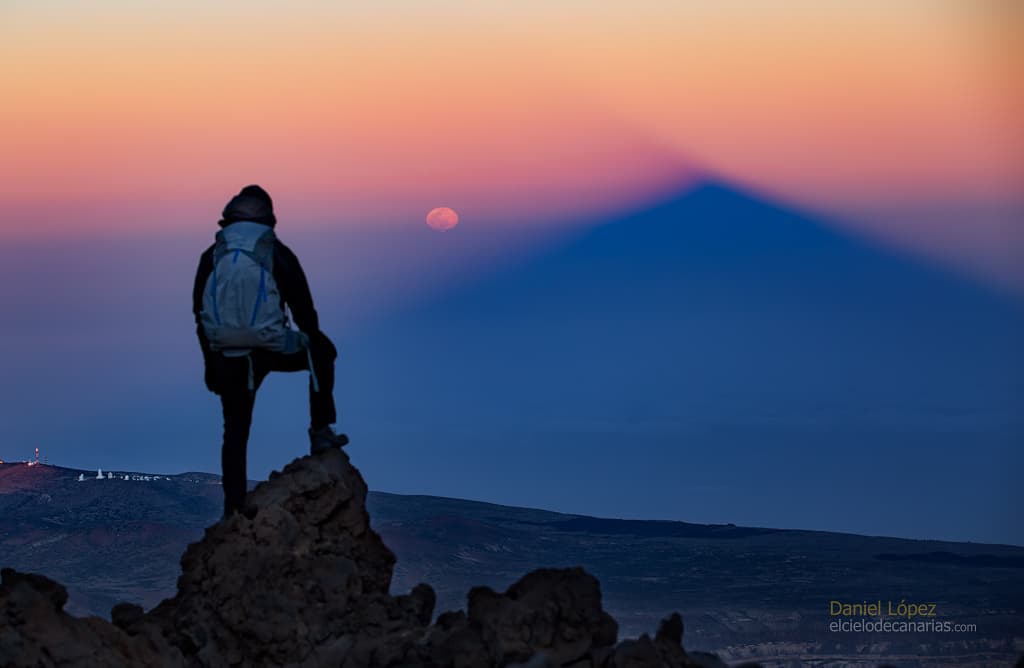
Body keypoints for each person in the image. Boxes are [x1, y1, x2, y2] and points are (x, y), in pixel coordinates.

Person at [192, 185, 349, 517]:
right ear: (268, 218)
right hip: (271, 346)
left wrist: (210, 363)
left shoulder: (213, 254)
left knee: (235, 431)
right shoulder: (274, 251)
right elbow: (302, 306)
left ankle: (233, 507)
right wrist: (312, 337)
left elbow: (199, 311)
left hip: (228, 355)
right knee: (323, 354)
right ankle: (321, 431)